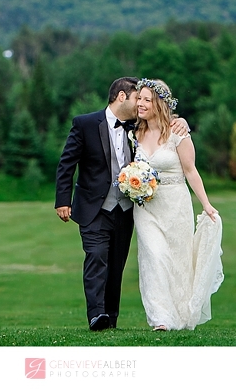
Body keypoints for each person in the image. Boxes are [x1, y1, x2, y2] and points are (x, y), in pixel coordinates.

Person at [55, 77, 190, 331]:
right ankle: (96, 316)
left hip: (126, 210)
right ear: (121, 97)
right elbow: (66, 163)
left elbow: (162, 121)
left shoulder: (137, 128)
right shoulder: (85, 124)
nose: (140, 103)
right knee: (96, 258)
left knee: (116, 266)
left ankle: (111, 318)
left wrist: (180, 120)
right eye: (136, 97)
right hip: (94, 207)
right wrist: (62, 200)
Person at [132, 78, 224, 331]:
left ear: (159, 103)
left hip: (175, 205)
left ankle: (180, 314)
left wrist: (206, 204)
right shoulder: (133, 133)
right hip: (146, 207)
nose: (140, 103)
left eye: (146, 100)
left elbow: (191, 171)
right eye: (138, 98)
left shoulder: (178, 133)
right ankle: (160, 317)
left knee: (177, 260)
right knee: (155, 256)